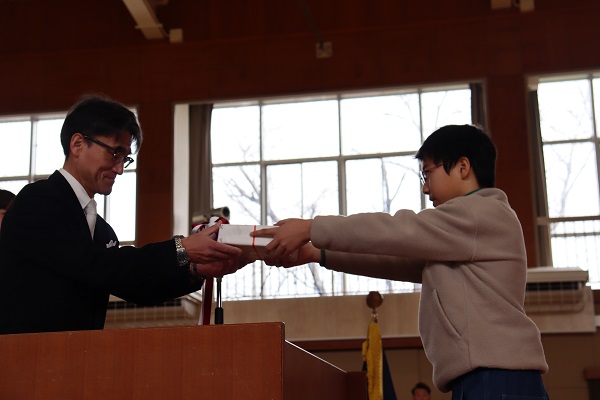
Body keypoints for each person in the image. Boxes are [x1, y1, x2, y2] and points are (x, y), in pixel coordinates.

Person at [252, 125, 550, 399]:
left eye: (428, 174)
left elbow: (395, 231)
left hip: (497, 378)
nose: (425, 188)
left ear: (462, 167)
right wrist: (317, 253)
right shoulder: (463, 230)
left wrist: (311, 228)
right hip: (488, 376)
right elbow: (399, 260)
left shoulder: (479, 213)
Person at [0, 95, 248, 335]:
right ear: (78, 144)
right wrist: (182, 248)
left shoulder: (103, 231)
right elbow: (95, 265)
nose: (119, 169)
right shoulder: (37, 201)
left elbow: (136, 286)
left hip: (77, 356)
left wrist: (196, 269)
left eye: (125, 158)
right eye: (114, 153)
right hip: (25, 355)